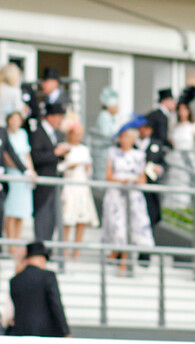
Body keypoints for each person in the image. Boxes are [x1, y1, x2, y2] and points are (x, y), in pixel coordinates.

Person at [101, 125, 154, 274]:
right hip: (116, 195)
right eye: (122, 137)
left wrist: (133, 181)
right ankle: (117, 256)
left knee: (131, 227)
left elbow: (142, 178)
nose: (124, 140)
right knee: (117, 226)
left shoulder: (139, 155)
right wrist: (121, 181)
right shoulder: (113, 153)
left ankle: (124, 262)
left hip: (133, 196)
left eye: (127, 137)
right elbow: (108, 175)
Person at [26, 102, 70, 241]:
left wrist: (61, 155)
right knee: (43, 217)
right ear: (50, 117)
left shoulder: (54, 134)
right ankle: (40, 251)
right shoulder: (38, 132)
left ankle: (47, 251)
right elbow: (36, 156)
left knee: (52, 218)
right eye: (59, 117)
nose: (60, 121)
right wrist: (55, 153)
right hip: (42, 184)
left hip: (54, 182)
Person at [58, 122, 99, 261]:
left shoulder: (84, 149)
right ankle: (65, 250)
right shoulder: (64, 147)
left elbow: (89, 170)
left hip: (82, 186)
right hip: (70, 185)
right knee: (68, 219)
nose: (77, 137)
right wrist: (70, 166)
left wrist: (87, 167)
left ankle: (77, 250)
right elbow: (59, 167)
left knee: (81, 219)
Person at [3, 111, 34, 245]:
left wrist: (30, 171)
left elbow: (26, 155)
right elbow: (7, 155)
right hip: (12, 173)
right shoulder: (5, 134)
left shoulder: (23, 134)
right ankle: (11, 244)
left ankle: (17, 242)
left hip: (23, 174)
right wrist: (21, 170)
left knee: (21, 211)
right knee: (11, 210)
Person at [165, 93, 195, 208]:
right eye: (180, 110)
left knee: (187, 181)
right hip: (175, 158)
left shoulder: (193, 126)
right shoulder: (174, 126)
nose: (182, 113)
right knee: (175, 181)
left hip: (187, 157)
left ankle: (186, 205)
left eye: (184, 110)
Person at [136, 119, 167, 229]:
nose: (144, 131)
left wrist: (159, 169)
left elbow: (163, 163)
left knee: (151, 212)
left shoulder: (156, 144)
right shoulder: (132, 143)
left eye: (147, 129)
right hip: (135, 185)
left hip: (150, 184)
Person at [93, 86, 121, 180]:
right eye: (116, 105)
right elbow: (107, 136)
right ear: (109, 106)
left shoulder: (109, 118)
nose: (118, 108)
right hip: (102, 155)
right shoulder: (104, 117)